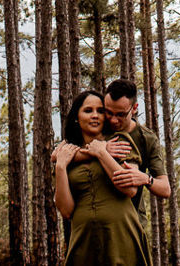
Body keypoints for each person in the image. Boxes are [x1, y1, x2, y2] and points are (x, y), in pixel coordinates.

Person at [52, 89, 151, 266]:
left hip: (121, 236)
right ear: (76, 117)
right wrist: (60, 167)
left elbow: (130, 189)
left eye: (100, 111)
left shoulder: (120, 141)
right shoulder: (66, 154)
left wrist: (101, 153)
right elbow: (66, 211)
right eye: (88, 110)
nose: (95, 115)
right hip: (83, 241)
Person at [99, 78, 169, 203]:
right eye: (109, 112)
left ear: (134, 108)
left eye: (120, 114)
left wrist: (146, 179)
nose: (113, 120)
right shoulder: (96, 126)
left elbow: (165, 189)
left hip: (133, 212)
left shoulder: (147, 138)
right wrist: (102, 149)